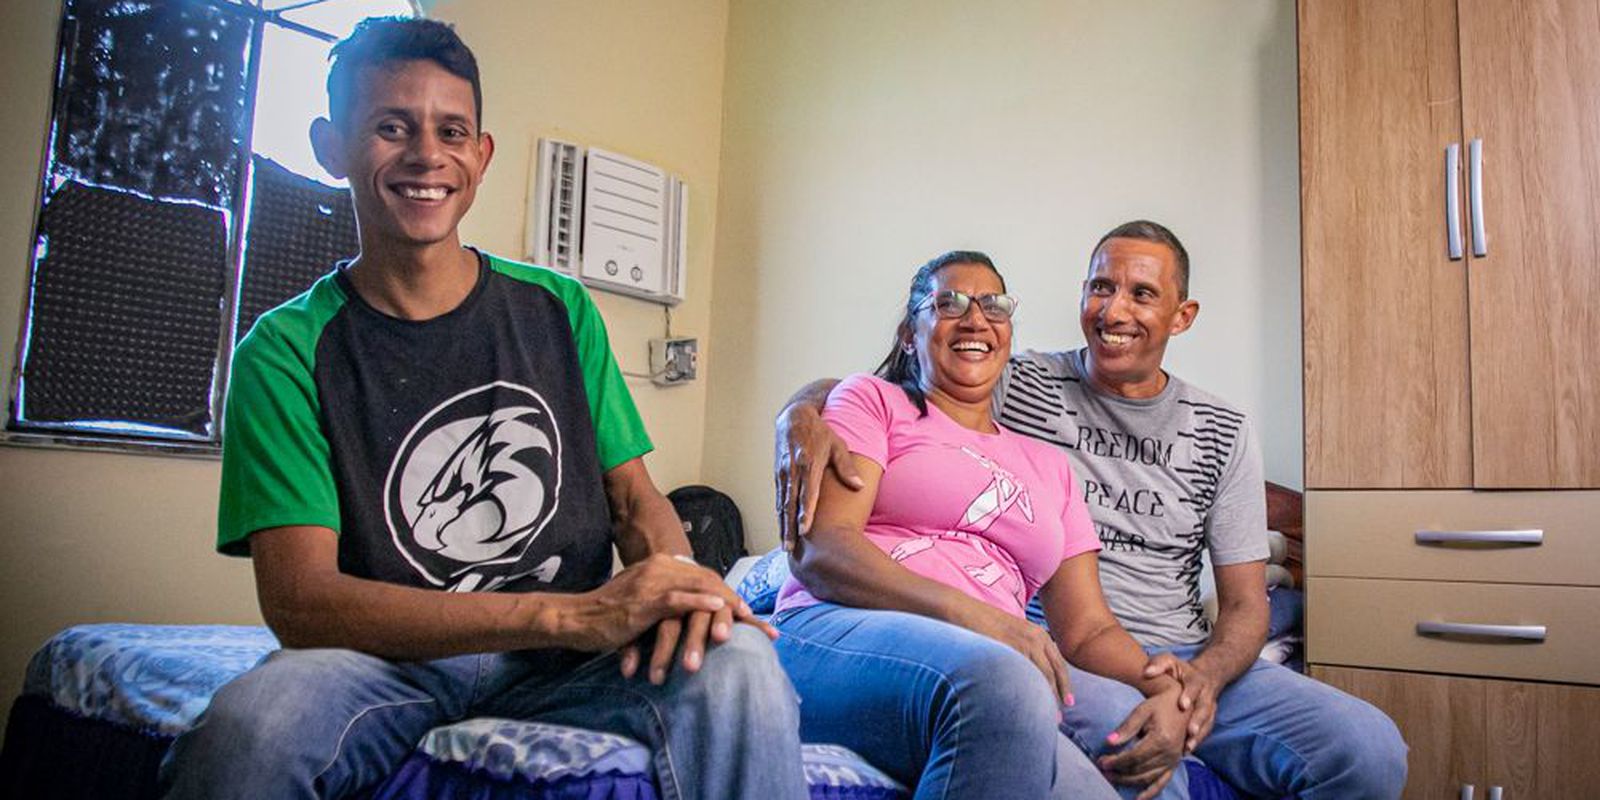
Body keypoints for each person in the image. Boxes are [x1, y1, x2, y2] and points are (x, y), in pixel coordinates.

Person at [159, 18, 805, 800]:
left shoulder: (559, 308)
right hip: (385, 666)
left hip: (570, 668)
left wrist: (678, 584)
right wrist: (565, 616)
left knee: (741, 664)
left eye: (451, 131)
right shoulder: (283, 349)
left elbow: (635, 502)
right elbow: (303, 602)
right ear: (331, 147)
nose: (426, 155)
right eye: (391, 127)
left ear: (481, 155)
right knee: (252, 726)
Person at [776, 222, 1407, 799]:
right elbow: (885, 387)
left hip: (1164, 650)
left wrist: (1193, 686)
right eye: (1101, 287)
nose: (1114, 310)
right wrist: (795, 417)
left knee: (1369, 751)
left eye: (1142, 293)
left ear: (1182, 316)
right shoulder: (1014, 380)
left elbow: (1242, 606)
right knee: (1131, 753)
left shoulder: (1212, 432)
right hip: (1029, 641)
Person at [774, 249, 1196, 800]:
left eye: (993, 305)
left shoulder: (1049, 467)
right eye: (948, 303)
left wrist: (1162, 686)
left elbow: (1088, 629)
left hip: (991, 659)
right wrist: (980, 619)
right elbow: (823, 551)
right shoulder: (872, 401)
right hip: (844, 627)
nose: (975, 319)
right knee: (1003, 682)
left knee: (1137, 732)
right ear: (909, 336)